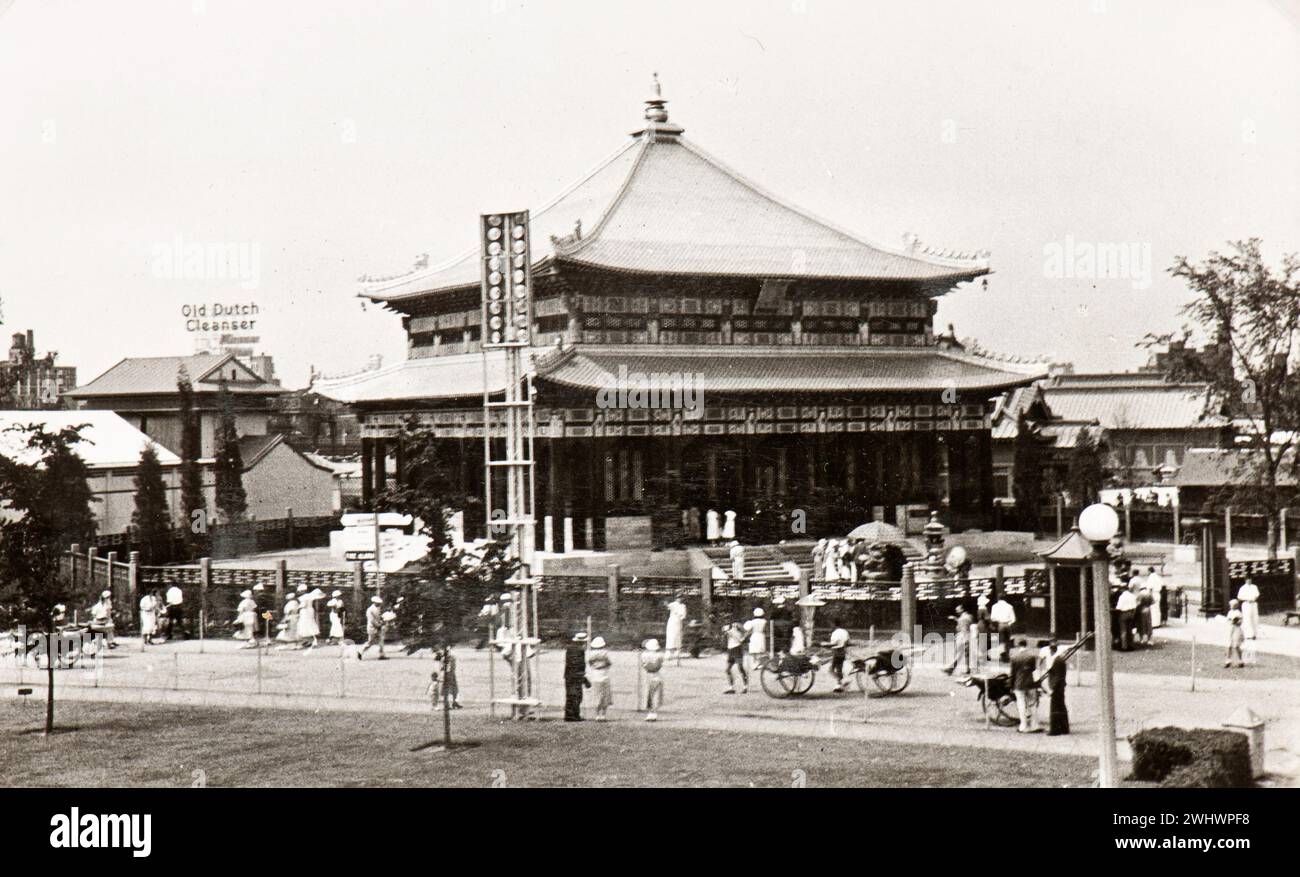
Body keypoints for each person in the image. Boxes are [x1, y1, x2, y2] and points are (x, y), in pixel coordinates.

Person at [1009, 636, 1041, 733]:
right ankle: (1034, 725)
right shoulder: (1031, 657)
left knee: (1021, 704)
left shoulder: (1014, 657)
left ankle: (1023, 725)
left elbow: (1012, 673)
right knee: (1032, 704)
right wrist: (1037, 684)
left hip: (1019, 684)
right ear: (1026, 644)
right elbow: (1034, 670)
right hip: (1030, 683)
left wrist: (1011, 685)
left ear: (1018, 645)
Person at [1043, 639, 1070, 735]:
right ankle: (1064, 728)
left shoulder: (1057, 661)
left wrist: (1052, 689)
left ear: (1051, 650)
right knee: (1061, 707)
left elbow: (1057, 677)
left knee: (1054, 708)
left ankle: (1055, 729)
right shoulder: (1060, 660)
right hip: (1060, 687)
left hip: (1056, 688)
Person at [943, 603, 974, 676]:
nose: (956, 611)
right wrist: (956, 619)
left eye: (958, 609)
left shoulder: (963, 618)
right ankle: (967, 669)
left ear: (962, 609)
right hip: (967, 636)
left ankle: (950, 668)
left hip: (962, 636)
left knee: (959, 653)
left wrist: (960, 637)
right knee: (966, 654)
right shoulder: (969, 616)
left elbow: (961, 627)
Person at [564, 631, 589, 721]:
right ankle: (573, 715)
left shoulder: (569, 648)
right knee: (577, 696)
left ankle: (570, 714)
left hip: (569, 675)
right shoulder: (580, 650)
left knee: (570, 696)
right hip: (576, 675)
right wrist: (583, 677)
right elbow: (579, 665)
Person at [586, 636, 613, 721]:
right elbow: (609, 663)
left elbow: (590, 663)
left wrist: (595, 666)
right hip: (604, 674)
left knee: (597, 695)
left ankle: (597, 714)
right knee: (605, 695)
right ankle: (603, 714)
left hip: (595, 675)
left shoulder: (591, 654)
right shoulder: (605, 653)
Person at [722, 615, 749, 694]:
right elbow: (724, 640)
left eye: (728, 618)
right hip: (730, 649)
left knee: (740, 667)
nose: (726, 620)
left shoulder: (736, 625)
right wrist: (725, 635)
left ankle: (745, 687)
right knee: (728, 669)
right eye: (725, 619)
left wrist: (743, 639)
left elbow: (746, 632)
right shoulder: (725, 628)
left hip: (737, 648)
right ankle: (731, 688)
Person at [641, 638, 665, 721]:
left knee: (648, 694)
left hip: (648, 675)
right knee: (656, 694)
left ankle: (649, 712)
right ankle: (654, 712)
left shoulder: (644, 655)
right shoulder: (660, 655)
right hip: (657, 675)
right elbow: (660, 663)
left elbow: (643, 664)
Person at [358, 595, 386, 660]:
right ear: (374, 602)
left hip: (378, 627)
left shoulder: (378, 609)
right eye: (377, 603)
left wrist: (382, 621)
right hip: (372, 628)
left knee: (381, 640)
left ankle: (381, 655)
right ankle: (360, 651)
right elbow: (372, 620)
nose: (379, 604)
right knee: (370, 642)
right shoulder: (370, 610)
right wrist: (378, 625)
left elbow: (379, 617)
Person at [989, 594, 1016, 662]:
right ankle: (1007, 655)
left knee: (1001, 641)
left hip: (999, 625)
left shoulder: (994, 606)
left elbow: (993, 618)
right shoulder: (1010, 606)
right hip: (1007, 625)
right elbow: (1013, 619)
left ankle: (1002, 655)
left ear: (998, 598)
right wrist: (1008, 624)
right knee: (1007, 641)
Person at [828, 617, 850, 692]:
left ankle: (843, 681)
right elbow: (847, 642)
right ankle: (839, 686)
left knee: (830, 670)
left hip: (836, 652)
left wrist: (825, 645)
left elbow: (833, 643)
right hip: (843, 652)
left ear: (834, 624)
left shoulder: (835, 633)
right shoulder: (845, 631)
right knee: (839, 669)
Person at [743, 607, 767, 672]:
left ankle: (754, 665)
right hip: (761, 635)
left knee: (754, 651)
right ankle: (759, 664)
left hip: (754, 635)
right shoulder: (764, 621)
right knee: (760, 651)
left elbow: (747, 629)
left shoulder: (753, 622)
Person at [664, 594, 687, 660]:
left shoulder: (683, 606)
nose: (679, 599)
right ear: (676, 598)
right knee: (670, 636)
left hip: (678, 622)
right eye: (678, 597)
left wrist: (680, 618)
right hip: (671, 622)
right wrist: (666, 604)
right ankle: (668, 653)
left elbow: (683, 615)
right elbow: (668, 606)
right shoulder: (673, 604)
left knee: (678, 636)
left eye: (681, 597)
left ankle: (677, 652)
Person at [1115, 585, 1137, 652]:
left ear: (1123, 589)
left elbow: (1119, 607)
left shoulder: (1122, 597)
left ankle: (1124, 646)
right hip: (1131, 612)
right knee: (1129, 630)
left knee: (1123, 630)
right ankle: (1131, 645)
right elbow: (1135, 606)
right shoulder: (1132, 596)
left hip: (1123, 613)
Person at [1225, 600, 1246, 668]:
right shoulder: (1229, 612)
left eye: (1231, 605)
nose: (1230, 606)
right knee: (1229, 645)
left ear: (1235, 606)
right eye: (1230, 605)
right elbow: (1228, 620)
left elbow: (1240, 622)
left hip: (1236, 629)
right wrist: (1230, 621)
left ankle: (1240, 661)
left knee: (1236, 646)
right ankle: (1228, 660)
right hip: (1230, 629)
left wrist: (1236, 622)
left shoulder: (1239, 613)